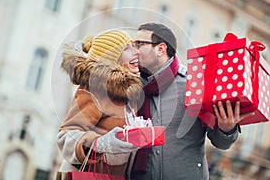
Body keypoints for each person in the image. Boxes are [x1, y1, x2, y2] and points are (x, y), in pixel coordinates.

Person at [130, 23, 253, 180]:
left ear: (161, 49)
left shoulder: (193, 86)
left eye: (139, 44)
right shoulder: (132, 88)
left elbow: (221, 143)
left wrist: (226, 129)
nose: (134, 50)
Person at [56, 29, 142, 179]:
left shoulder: (130, 94)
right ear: (113, 58)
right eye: (127, 48)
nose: (136, 52)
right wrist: (99, 144)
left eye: (134, 46)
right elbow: (65, 136)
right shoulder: (94, 90)